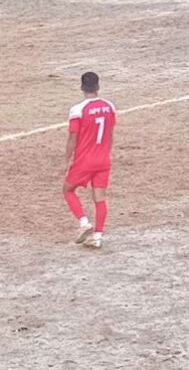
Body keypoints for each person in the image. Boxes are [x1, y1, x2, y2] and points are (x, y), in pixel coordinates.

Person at [62, 71, 116, 249]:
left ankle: (84, 222)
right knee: (100, 198)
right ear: (98, 87)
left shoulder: (77, 110)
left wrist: (66, 159)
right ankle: (98, 236)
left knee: (68, 190)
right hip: (103, 160)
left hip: (84, 160)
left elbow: (73, 138)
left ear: (82, 88)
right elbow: (110, 133)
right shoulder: (109, 106)